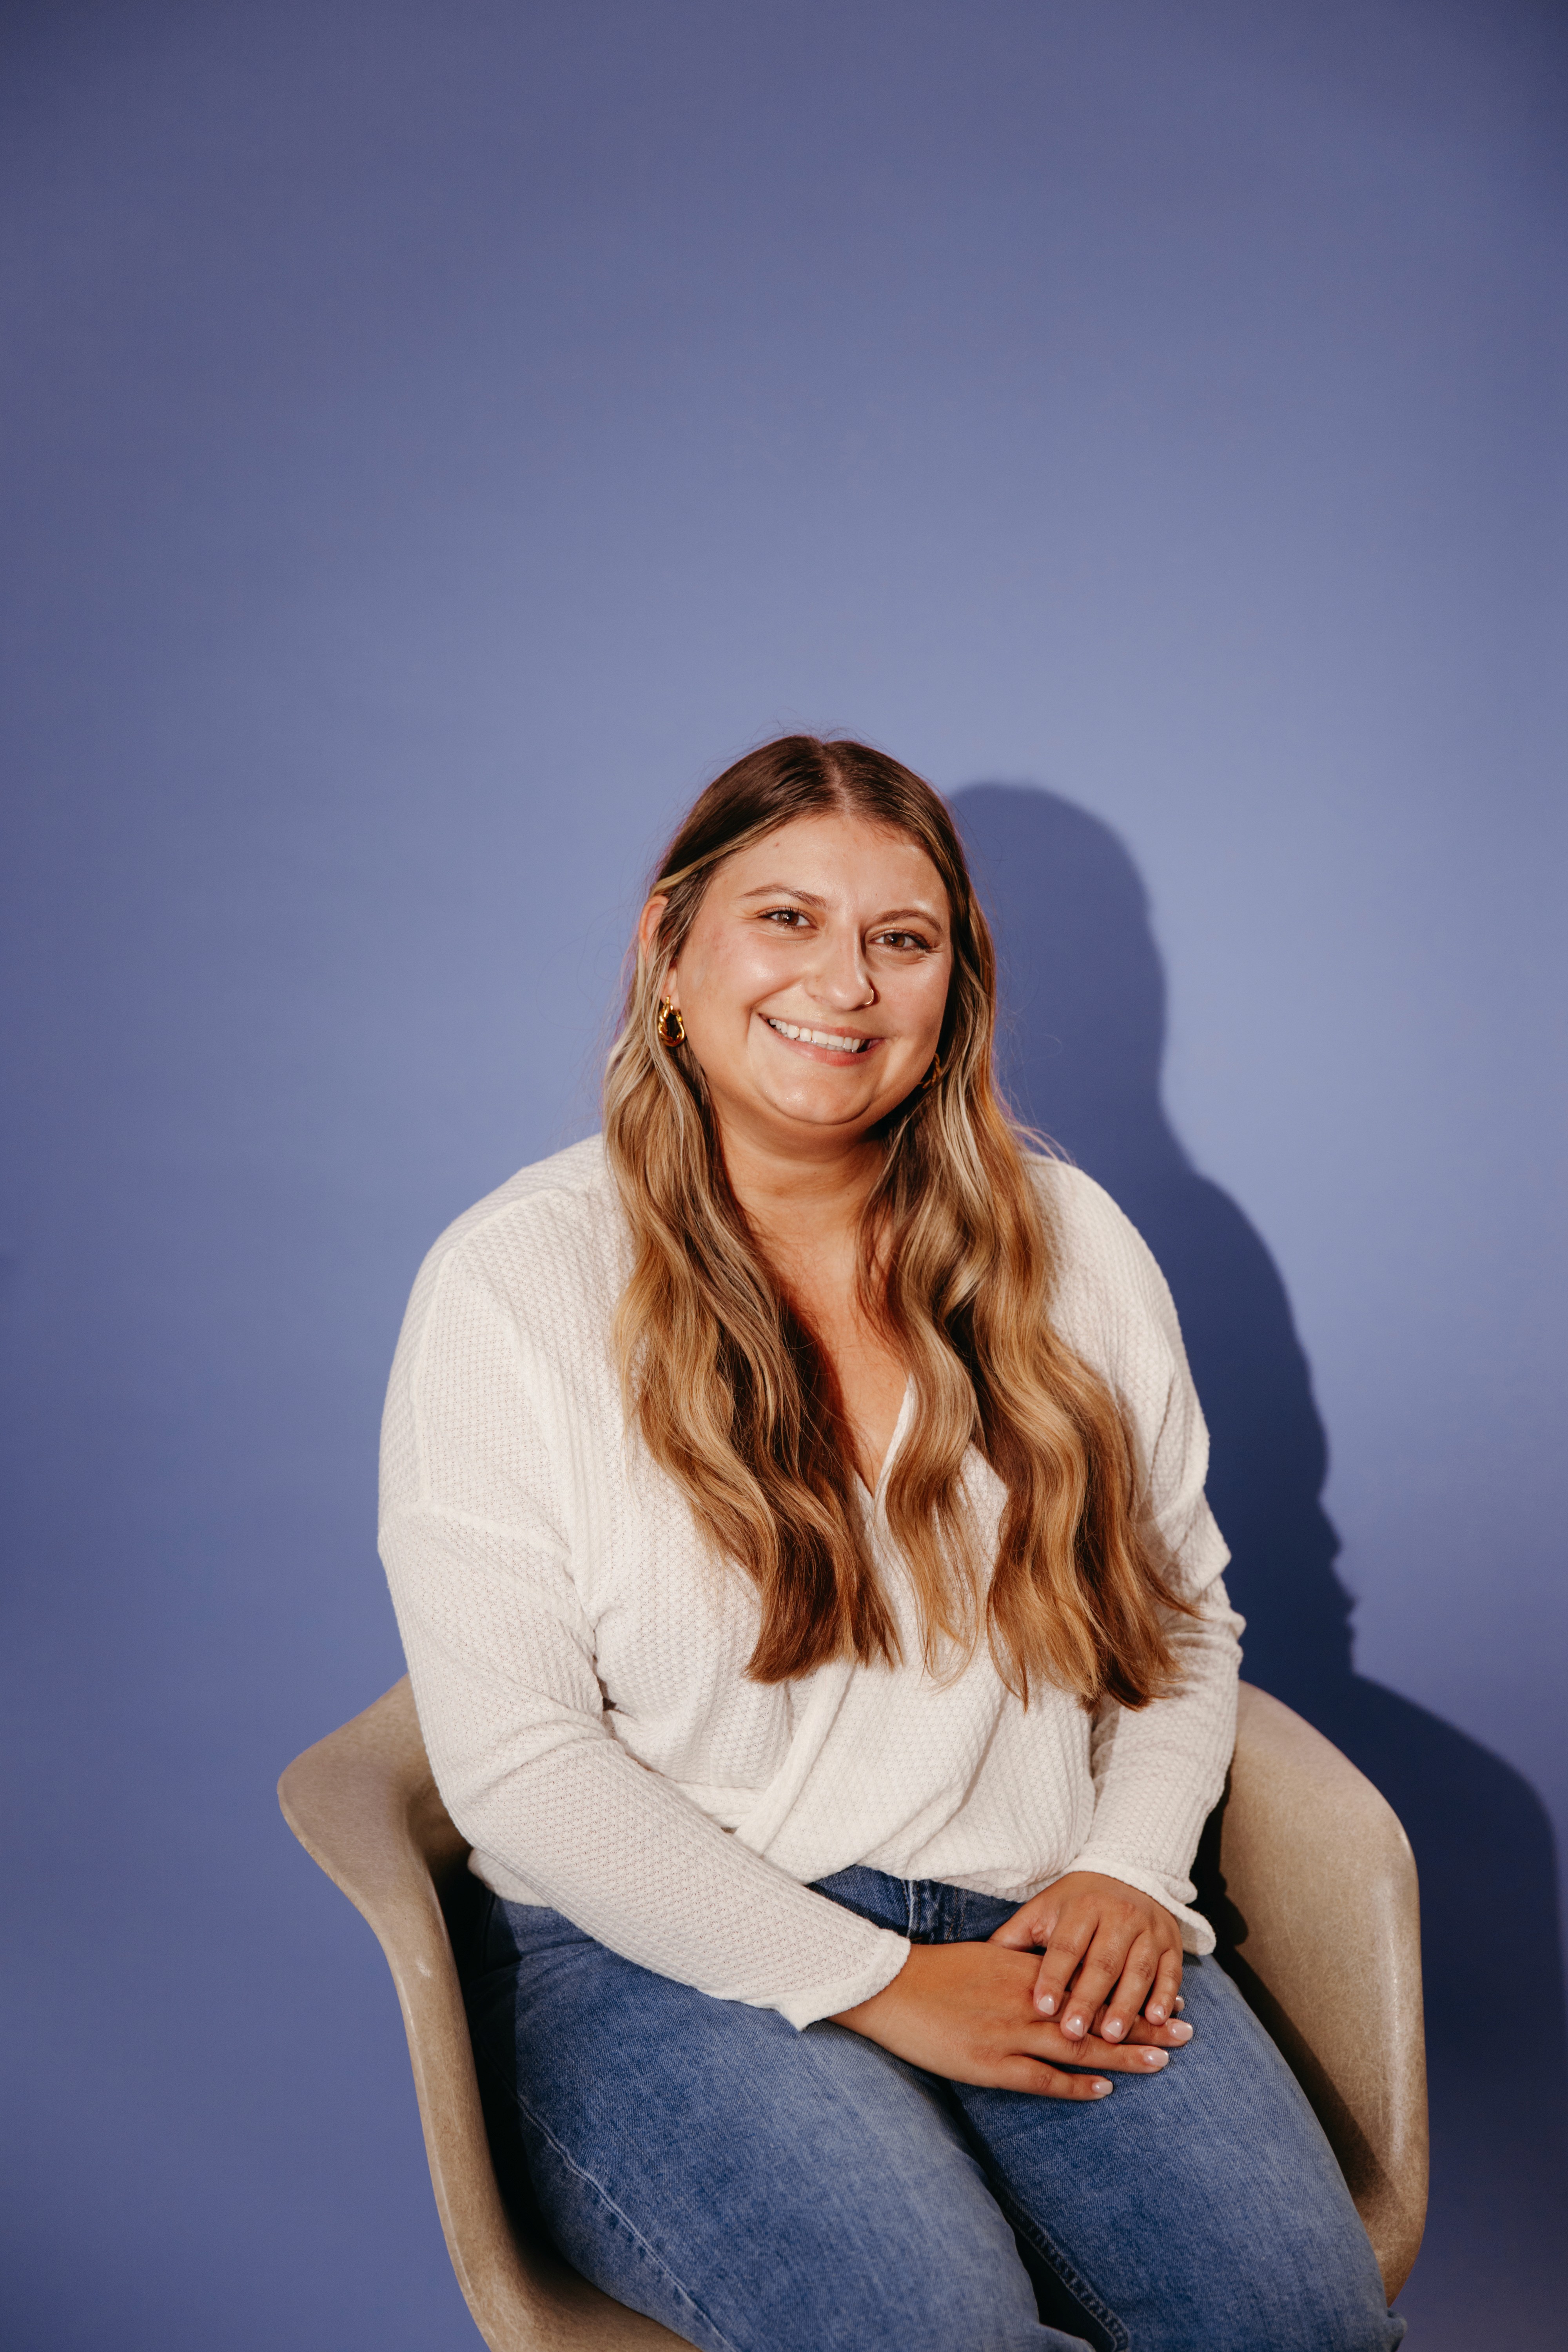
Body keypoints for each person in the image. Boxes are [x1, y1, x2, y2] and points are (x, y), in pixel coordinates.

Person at [379, 736, 1404, 2351]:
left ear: (954, 983)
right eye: (782, 920)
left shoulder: (1067, 1244)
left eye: (899, 939)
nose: (841, 985)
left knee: (1291, 2324)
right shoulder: (513, 1282)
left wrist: (1127, 1868)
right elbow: (517, 1765)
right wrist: (871, 1981)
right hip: (665, 1960)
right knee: (923, 2328)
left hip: (1033, 1913)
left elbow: (1180, 1622)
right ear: (669, 951)